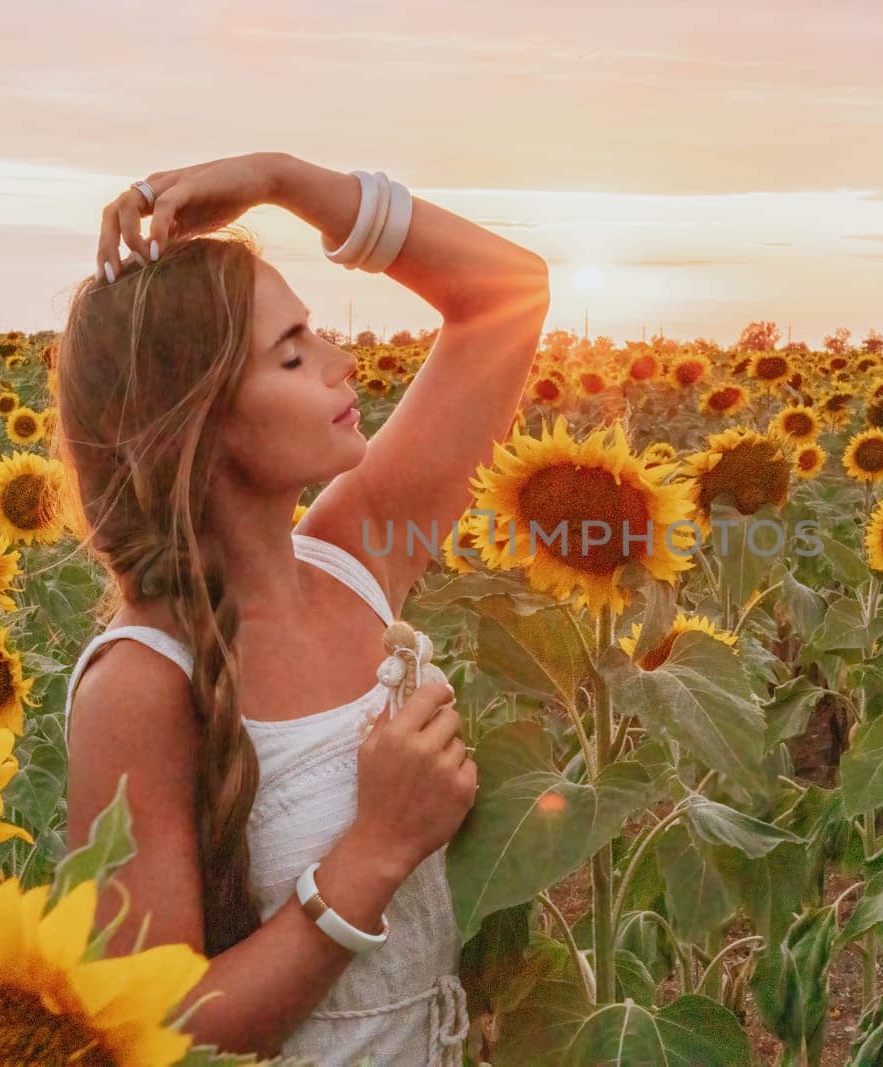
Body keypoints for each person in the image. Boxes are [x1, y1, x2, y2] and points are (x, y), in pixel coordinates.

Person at [54, 151, 550, 1064]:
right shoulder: (139, 684)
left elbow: (509, 294)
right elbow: (149, 1029)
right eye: (292, 352)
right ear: (199, 424)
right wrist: (376, 848)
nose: (341, 361)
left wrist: (281, 179)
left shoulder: (357, 555)